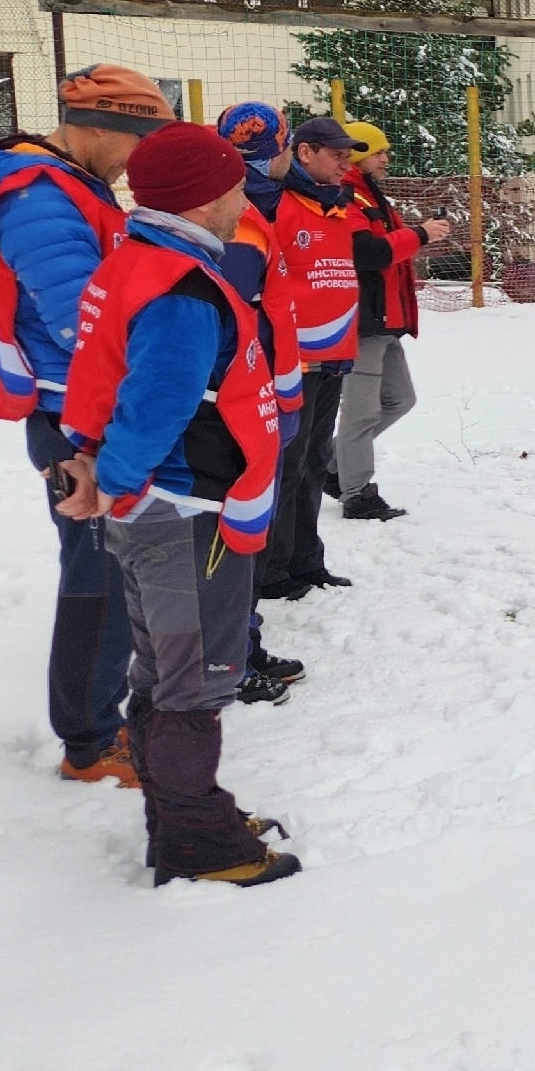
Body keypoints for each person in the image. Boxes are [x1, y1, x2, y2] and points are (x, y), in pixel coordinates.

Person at [51, 121, 300, 889]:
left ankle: (182, 813)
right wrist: (116, 484)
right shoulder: (183, 290)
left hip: (159, 507)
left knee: (163, 674)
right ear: (205, 198)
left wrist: (99, 472)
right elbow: (154, 406)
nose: (242, 198)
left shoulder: (139, 262)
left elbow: (107, 378)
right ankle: (199, 841)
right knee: (194, 682)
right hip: (185, 514)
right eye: (233, 186)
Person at [0, 64, 173, 786]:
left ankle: (98, 715)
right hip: (71, 412)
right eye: (138, 143)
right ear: (98, 127)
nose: (140, 162)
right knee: (98, 573)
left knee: (111, 564)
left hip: (85, 403)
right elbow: (85, 318)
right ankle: (88, 739)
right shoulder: (41, 196)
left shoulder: (74, 186)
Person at [213, 102, 308, 704]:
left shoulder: (258, 205)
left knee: (251, 524)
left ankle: (240, 641)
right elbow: (234, 323)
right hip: (248, 398)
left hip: (268, 388)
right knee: (238, 528)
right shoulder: (241, 223)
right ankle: (230, 657)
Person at [261, 117, 367, 602]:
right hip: (294, 361)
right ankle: (274, 570)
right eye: (337, 153)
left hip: (334, 356)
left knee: (314, 461)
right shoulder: (279, 204)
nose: (347, 162)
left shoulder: (338, 209)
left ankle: (307, 560)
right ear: (305, 153)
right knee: (288, 464)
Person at [338, 121, 451, 513]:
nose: (385, 159)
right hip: (365, 321)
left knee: (400, 399)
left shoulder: (370, 195)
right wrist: (419, 234)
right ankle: (356, 493)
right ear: (356, 154)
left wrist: (418, 236)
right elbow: (367, 252)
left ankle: (336, 468)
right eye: (378, 152)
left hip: (386, 320)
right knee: (361, 412)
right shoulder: (346, 195)